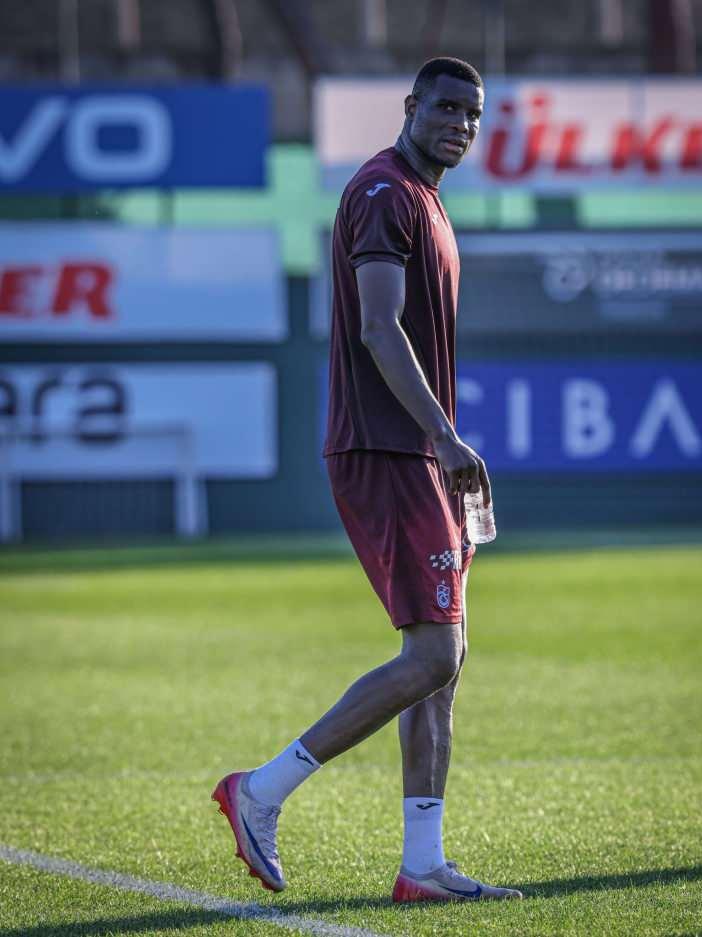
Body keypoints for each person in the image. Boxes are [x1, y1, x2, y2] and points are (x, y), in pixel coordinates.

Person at [213, 56, 522, 904]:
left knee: (443, 662)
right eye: (446, 108)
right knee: (434, 652)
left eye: (472, 113)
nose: (460, 124)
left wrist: (442, 444)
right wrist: (444, 436)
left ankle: (423, 863)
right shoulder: (385, 191)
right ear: (411, 106)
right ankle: (260, 789)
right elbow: (380, 329)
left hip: (417, 452)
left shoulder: (425, 198)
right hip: (388, 449)